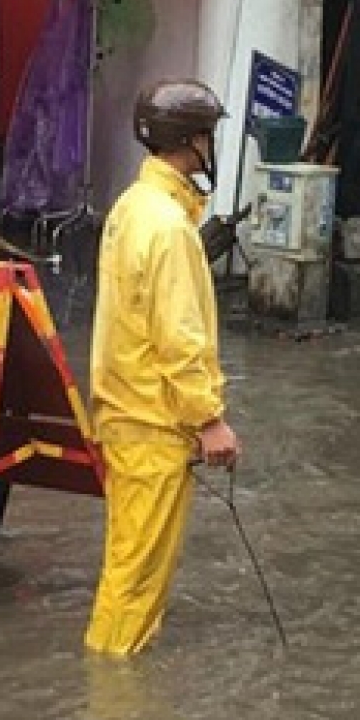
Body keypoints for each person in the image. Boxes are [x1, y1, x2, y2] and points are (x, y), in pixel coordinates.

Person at [84, 79, 243, 657]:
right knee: (137, 583)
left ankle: (112, 691)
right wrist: (209, 420)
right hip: (151, 423)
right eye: (209, 135)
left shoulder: (133, 206)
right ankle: (114, 712)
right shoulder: (170, 228)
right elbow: (179, 339)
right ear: (193, 141)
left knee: (128, 566)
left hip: (126, 412)